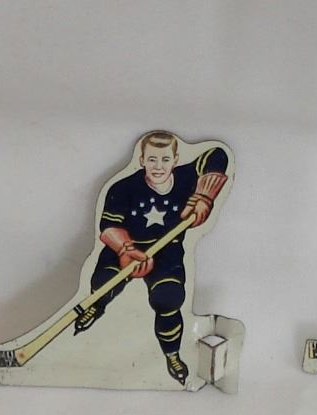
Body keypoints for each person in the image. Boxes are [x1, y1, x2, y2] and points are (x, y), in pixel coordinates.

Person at [73, 131, 229, 383]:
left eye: (165, 159)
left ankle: (172, 354)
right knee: (103, 284)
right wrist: (125, 250)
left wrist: (204, 195)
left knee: (169, 297)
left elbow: (218, 154)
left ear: (175, 160)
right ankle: (96, 305)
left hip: (166, 249)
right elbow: (108, 226)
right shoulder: (123, 188)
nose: (158, 166)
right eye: (152, 159)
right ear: (142, 160)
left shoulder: (186, 177)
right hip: (126, 247)